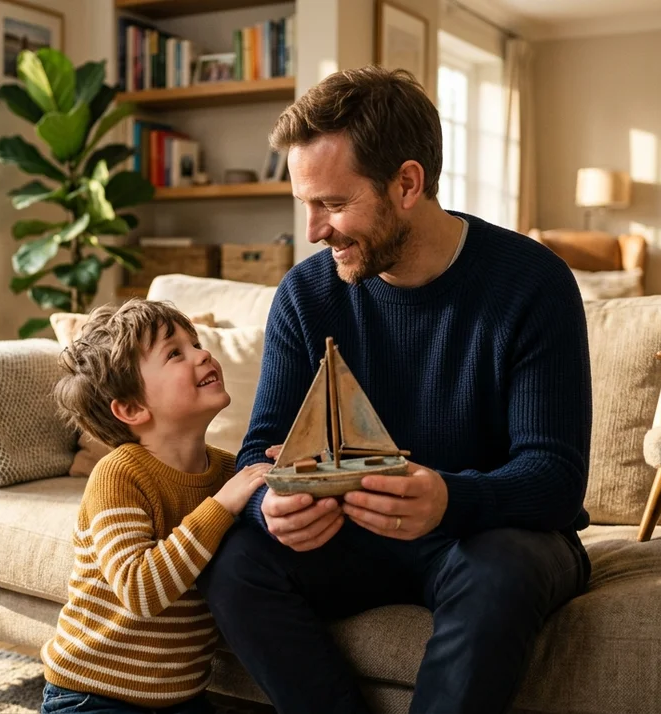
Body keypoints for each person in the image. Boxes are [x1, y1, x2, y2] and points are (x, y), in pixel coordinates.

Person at [196, 66, 593, 714]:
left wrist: (448, 498)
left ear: (407, 184)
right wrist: (267, 506)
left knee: (502, 571)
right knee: (235, 562)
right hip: (356, 532)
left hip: (491, 533)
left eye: (332, 203)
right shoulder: (307, 293)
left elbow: (554, 478)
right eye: (306, 205)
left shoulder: (533, 284)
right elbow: (261, 448)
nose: (314, 231)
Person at [40, 300, 271, 714]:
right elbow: (140, 590)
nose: (203, 354)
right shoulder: (119, 475)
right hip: (92, 696)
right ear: (131, 409)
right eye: (175, 353)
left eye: (196, 343)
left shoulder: (226, 471)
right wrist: (222, 505)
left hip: (182, 699)